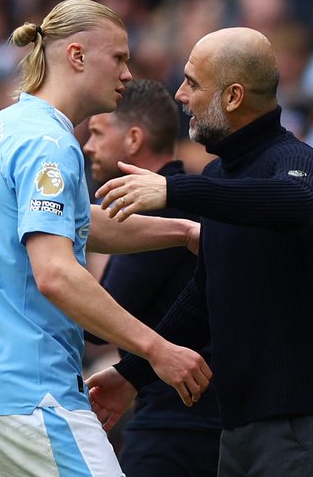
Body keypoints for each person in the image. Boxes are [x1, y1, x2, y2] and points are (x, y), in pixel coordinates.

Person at [0, 0, 211, 477]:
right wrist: (158, 349)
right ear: (76, 56)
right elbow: (54, 274)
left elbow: (83, 221)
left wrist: (182, 231)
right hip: (34, 397)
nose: (128, 73)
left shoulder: (4, 126)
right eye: (119, 57)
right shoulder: (48, 144)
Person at [87, 27, 313, 476]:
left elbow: (295, 202)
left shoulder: (293, 159)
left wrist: (176, 190)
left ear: (233, 97)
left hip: (300, 420)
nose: (180, 94)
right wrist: (132, 375)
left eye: (193, 83)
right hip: (239, 425)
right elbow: (202, 295)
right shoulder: (218, 176)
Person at [83, 78, 221, 476]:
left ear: (133, 139)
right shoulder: (189, 202)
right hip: (196, 417)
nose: (88, 146)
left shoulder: (162, 212)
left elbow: (99, 322)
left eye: (96, 132)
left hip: (177, 425)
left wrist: (31, 267)